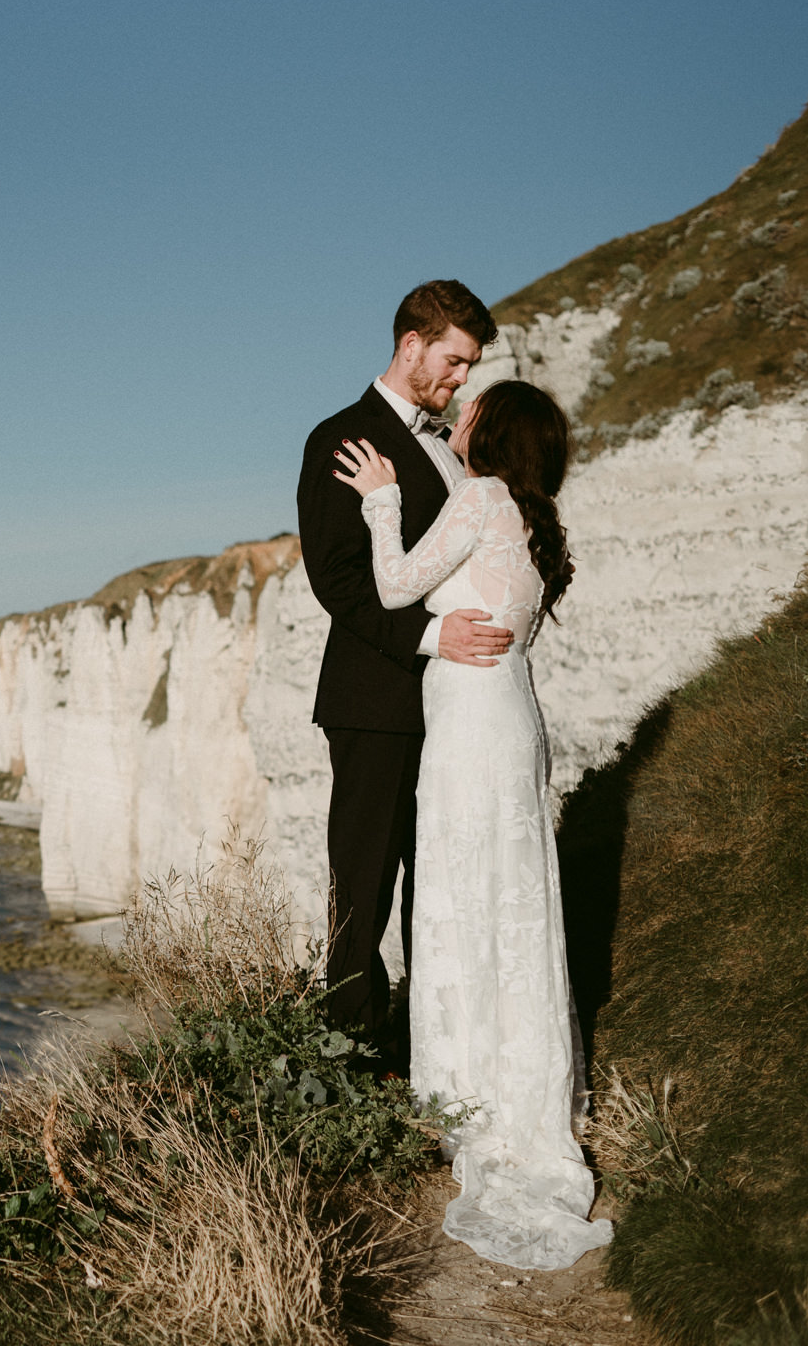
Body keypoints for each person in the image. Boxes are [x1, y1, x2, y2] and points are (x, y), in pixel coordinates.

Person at [333, 379, 613, 1271]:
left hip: (471, 727)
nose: (460, 413)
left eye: (475, 407)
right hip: (511, 718)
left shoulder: (483, 498)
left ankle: (465, 1100)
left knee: (463, 894)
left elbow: (391, 584)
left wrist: (382, 502)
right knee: (512, 900)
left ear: (498, 436)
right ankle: (517, 1094)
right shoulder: (531, 518)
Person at [295, 280, 513, 1057]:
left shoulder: (446, 444)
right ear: (411, 344)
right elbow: (339, 579)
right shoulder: (342, 437)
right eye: (455, 362)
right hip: (376, 699)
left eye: (470, 368)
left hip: (452, 704)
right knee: (364, 883)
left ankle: (432, 1047)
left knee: (440, 877)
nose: (461, 380)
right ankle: (349, 1055)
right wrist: (431, 637)